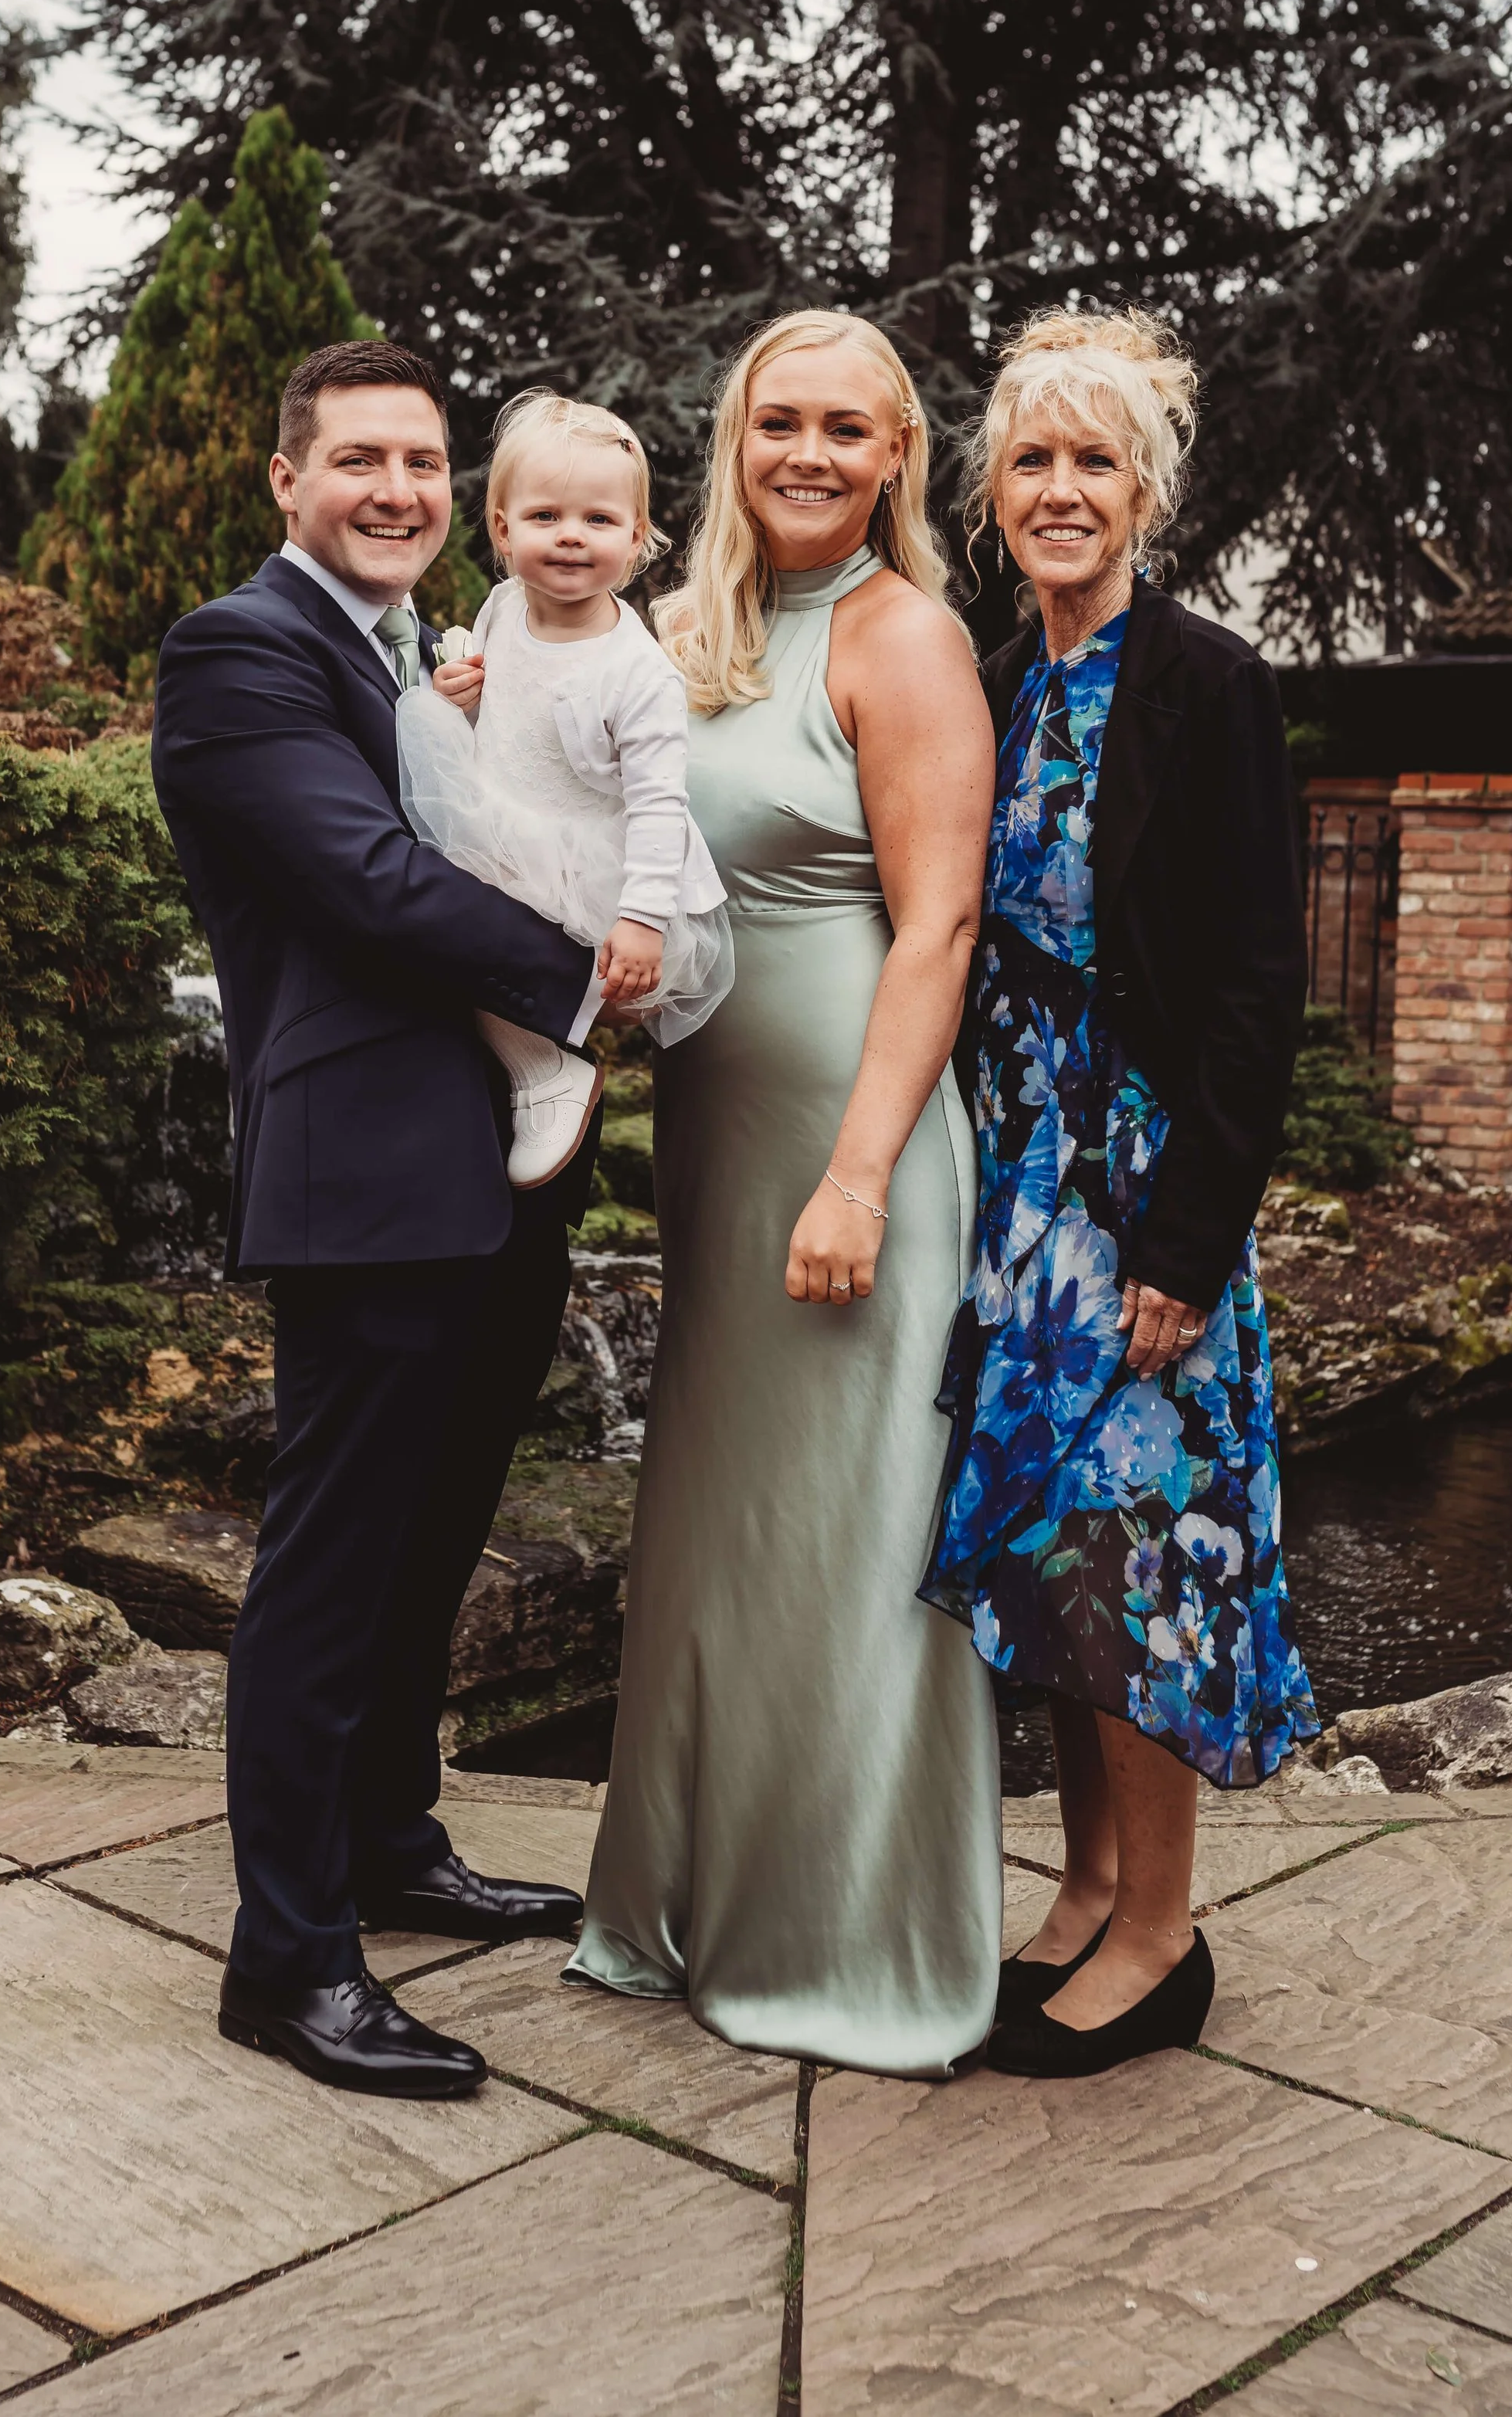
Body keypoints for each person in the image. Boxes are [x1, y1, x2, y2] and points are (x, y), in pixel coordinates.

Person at [149, 339, 612, 2100]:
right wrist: (593, 978)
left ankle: (392, 1839)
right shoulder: (242, 651)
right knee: (334, 1559)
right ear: (289, 479)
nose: (400, 491)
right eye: (360, 461)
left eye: (424, 462)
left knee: (435, 1534)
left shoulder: (420, 651)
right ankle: (289, 1957)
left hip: (495, 1163)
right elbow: (367, 877)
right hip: (365, 1163)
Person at [568, 310, 1005, 2078]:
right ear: (733, 443)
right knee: (724, 1536)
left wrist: (857, 1173)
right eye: (779, 424)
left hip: (853, 1145)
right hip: (716, 1146)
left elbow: (941, 923)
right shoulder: (692, 634)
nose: (810, 453)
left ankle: (842, 1935)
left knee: (844, 1537)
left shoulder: (907, 639)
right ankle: (682, 1899)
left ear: (893, 455)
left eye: (847, 427)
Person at [920, 308, 1318, 2080]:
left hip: (1142, 1191)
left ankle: (1162, 1929)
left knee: (1135, 1550)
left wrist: (1186, 1239)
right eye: (1033, 459)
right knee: (1054, 1555)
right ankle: (1082, 1883)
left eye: (1094, 459)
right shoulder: (991, 685)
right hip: (1013, 1190)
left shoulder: (1208, 683)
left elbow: (1253, 988)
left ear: (1142, 487)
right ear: (992, 489)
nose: (1061, 489)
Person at [395, 388, 734, 1185]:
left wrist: (643, 920)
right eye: (545, 518)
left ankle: (544, 1072)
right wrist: (462, 700)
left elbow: (659, 804)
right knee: (428, 920)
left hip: (589, 865)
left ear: (638, 538)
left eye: (599, 521)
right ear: (505, 533)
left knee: (458, 939)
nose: (572, 538)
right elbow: (508, 717)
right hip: (499, 819)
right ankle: (536, 1066)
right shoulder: (505, 606)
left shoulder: (635, 671)